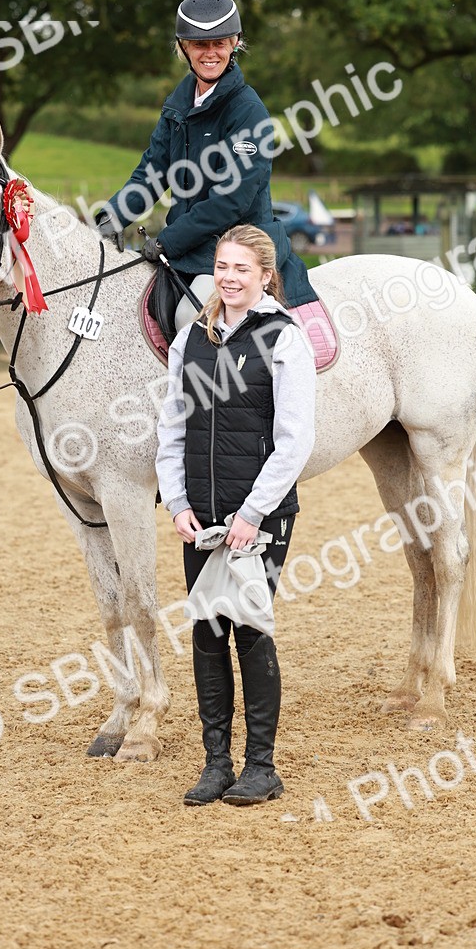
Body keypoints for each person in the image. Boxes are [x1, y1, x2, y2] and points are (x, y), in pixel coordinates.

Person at [156, 225, 317, 806]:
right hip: (200, 517)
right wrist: (177, 502)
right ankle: (216, 764)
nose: (229, 277)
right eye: (222, 266)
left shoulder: (284, 339)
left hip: (259, 517)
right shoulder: (189, 341)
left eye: (242, 268)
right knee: (206, 631)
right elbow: (172, 428)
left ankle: (262, 767)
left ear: (265, 277)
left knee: (249, 630)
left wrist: (252, 513)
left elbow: (295, 441)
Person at [96, 0, 317, 326]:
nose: (210, 53)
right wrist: (113, 215)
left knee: (191, 317)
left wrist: (167, 242)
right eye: (200, 44)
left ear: (235, 43)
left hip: (240, 248)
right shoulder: (178, 104)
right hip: (192, 247)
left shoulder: (248, 112)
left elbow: (231, 201)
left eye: (220, 43)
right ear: (184, 47)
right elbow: (153, 171)